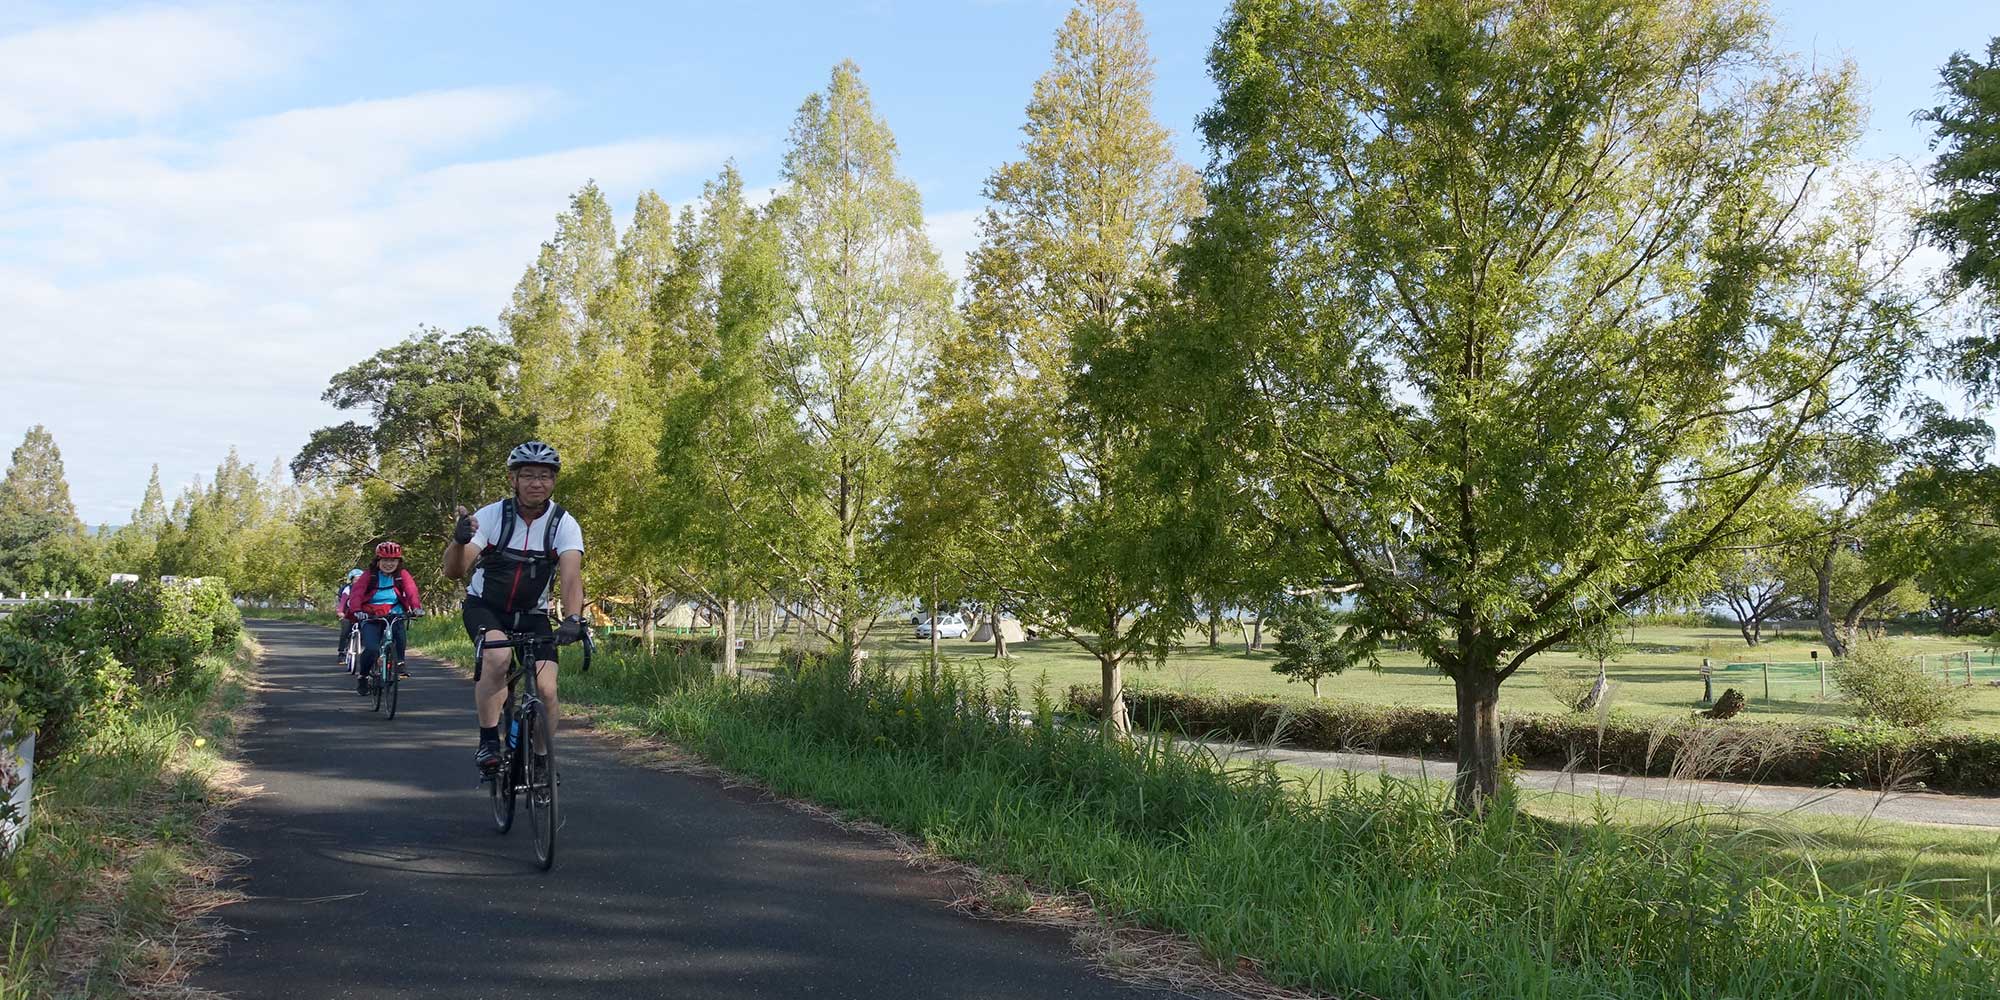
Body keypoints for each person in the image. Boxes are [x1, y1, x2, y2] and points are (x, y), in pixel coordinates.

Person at [441, 441, 586, 774]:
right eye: (529, 475)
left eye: (545, 476)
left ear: (554, 481)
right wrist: (458, 540)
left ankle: (539, 758)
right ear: (513, 479)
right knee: (497, 657)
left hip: (533, 615)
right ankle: (489, 741)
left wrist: (574, 618)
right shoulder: (492, 516)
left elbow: (571, 577)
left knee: (547, 688)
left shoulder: (563, 523)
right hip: (486, 608)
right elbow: (454, 572)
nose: (538, 483)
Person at [340, 542, 422, 695]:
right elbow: (357, 593)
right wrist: (357, 610)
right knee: (371, 649)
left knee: (399, 632)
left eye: (393, 560)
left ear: (399, 562)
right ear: (378, 561)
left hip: (394, 612)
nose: (389, 564)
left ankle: (400, 662)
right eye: (385, 560)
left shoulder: (402, 575)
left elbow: (411, 591)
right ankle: (363, 676)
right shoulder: (369, 575)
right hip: (370, 615)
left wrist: (416, 608)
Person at [334, 568, 364, 666]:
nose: (358, 582)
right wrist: (340, 612)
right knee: (345, 631)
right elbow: (343, 602)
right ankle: (341, 653)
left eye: (360, 579)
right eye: (355, 579)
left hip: (362, 614)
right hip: (348, 614)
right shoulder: (347, 589)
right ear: (351, 580)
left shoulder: (366, 589)